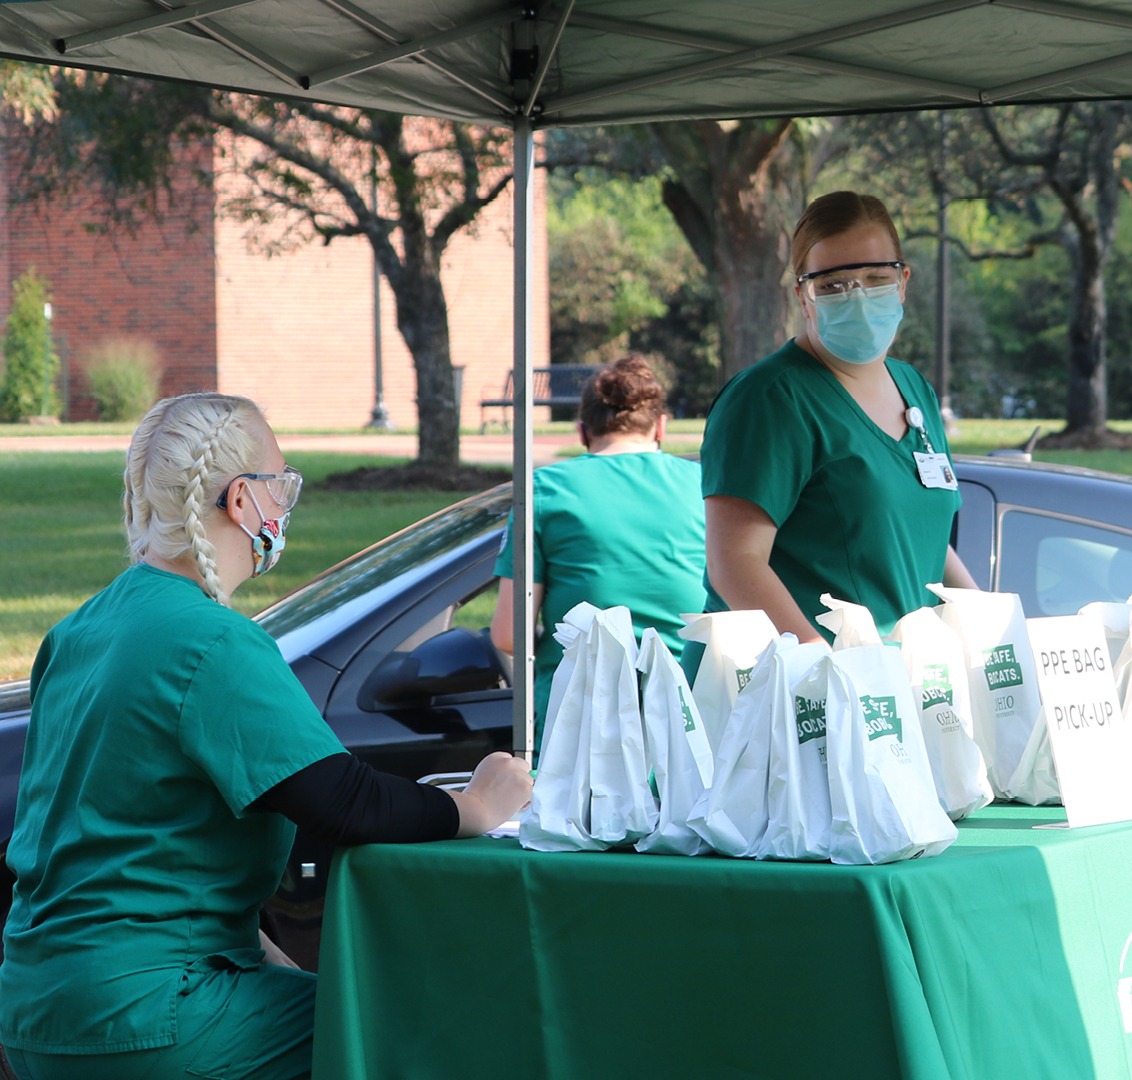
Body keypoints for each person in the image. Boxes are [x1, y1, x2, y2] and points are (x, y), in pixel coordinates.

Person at [0, 393, 532, 1080]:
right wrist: (478, 805)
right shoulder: (216, 641)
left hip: (35, 1010)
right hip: (146, 1016)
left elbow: (121, 842)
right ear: (244, 500)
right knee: (446, 1029)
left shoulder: (78, 632)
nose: (286, 505)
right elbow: (343, 801)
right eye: (283, 484)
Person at [698, 190, 977, 650]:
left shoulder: (913, 388)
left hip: (896, 686)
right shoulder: (769, 399)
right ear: (803, 296)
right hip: (794, 689)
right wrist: (824, 669)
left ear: (903, 281)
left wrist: (994, 633)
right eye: (832, 284)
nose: (858, 297)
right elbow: (736, 564)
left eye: (875, 277)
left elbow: (921, 543)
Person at [488, 354, 706, 729]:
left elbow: (510, 635)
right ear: (660, 427)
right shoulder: (705, 486)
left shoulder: (541, 491)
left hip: (580, 721)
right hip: (692, 715)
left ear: (583, 432)